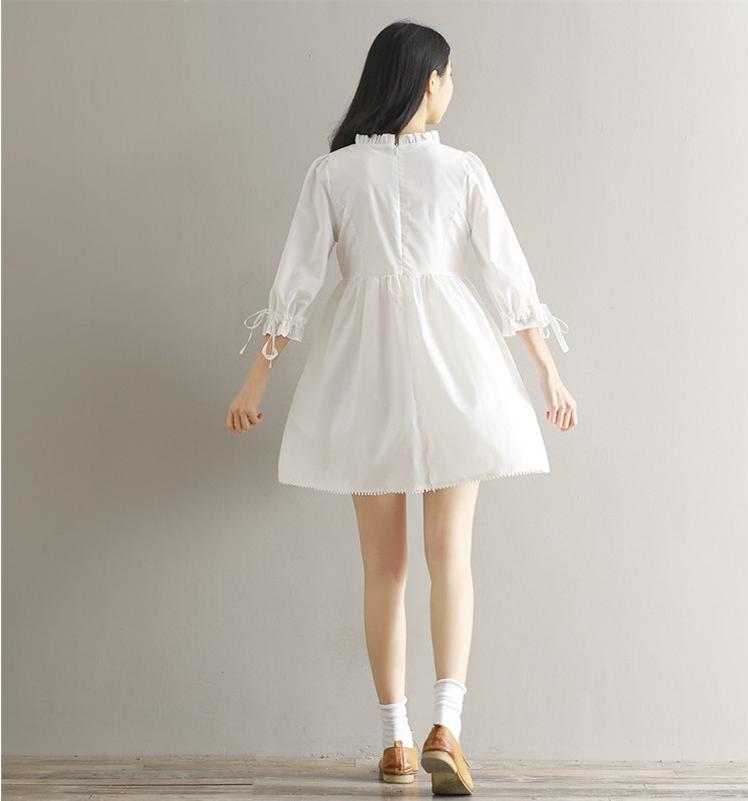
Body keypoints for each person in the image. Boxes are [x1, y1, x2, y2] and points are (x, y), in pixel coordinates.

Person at [227, 19, 577, 796]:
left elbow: (295, 285)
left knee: (382, 565)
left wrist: (256, 380)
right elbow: (507, 276)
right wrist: (546, 371)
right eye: (449, 76)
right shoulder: (461, 170)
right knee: (450, 555)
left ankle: (395, 740)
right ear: (429, 81)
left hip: (365, 372)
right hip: (455, 366)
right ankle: (446, 725)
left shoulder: (332, 174)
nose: (452, 89)